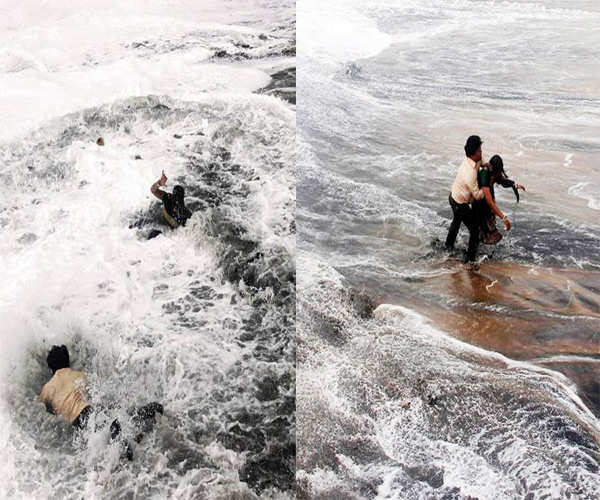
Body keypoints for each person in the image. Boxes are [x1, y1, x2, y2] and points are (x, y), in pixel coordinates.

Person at [39, 345, 163, 460]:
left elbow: (47, 414)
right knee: (114, 419)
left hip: (78, 422)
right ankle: (138, 416)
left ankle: (121, 441)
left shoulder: (47, 389)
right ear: (68, 361)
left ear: (51, 369)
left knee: (104, 439)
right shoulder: (79, 375)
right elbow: (94, 396)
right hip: (91, 411)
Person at [445, 135, 487, 266]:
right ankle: (470, 258)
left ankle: (448, 246)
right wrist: (486, 189)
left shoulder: (472, 160)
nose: (481, 153)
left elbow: (482, 162)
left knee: (456, 221)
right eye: (480, 151)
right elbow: (477, 195)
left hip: (453, 196)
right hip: (459, 203)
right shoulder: (470, 173)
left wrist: (487, 164)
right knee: (474, 228)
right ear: (474, 153)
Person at [473, 155, 526, 245]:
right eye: (498, 171)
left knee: (491, 227)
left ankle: (484, 248)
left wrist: (514, 184)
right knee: (483, 229)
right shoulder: (484, 174)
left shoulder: (495, 173)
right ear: (494, 169)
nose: (499, 174)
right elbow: (490, 202)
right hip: (479, 201)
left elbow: (503, 181)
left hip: (488, 199)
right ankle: (478, 249)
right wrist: (504, 218)